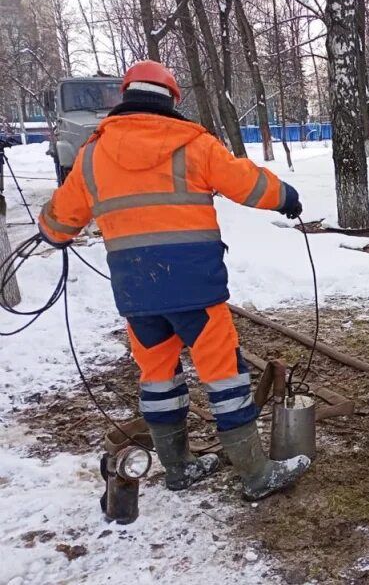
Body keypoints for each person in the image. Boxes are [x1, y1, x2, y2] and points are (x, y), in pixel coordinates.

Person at [37, 61, 310, 501]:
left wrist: (51, 230)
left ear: (125, 96)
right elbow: (246, 184)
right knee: (224, 378)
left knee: (157, 377)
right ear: (171, 100)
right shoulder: (193, 144)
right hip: (195, 289)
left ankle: (179, 468)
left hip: (138, 292)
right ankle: (256, 475)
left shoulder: (91, 152)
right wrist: (288, 198)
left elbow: (59, 221)